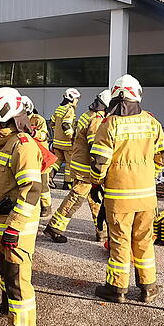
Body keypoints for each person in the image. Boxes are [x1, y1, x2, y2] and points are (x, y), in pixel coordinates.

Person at [90, 74, 164, 303]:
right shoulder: (151, 122)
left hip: (119, 196)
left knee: (120, 241)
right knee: (144, 240)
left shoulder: (109, 124)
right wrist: (149, 176)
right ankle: (148, 288)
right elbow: (162, 155)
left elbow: (99, 162)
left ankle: (117, 289)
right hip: (146, 196)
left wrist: (97, 182)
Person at [0, 87, 45, 326]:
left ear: (6, 116)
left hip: (18, 224)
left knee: (18, 277)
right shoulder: (8, 143)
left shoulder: (23, 146)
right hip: (5, 220)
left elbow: (31, 191)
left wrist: (14, 227)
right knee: (5, 269)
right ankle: (7, 306)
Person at [44, 89, 112, 244]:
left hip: (80, 162)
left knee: (96, 198)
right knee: (75, 198)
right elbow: (94, 147)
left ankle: (101, 231)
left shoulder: (87, 114)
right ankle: (54, 228)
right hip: (85, 168)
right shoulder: (96, 119)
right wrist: (100, 169)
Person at [22, 96, 52, 217]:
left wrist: (33, 133)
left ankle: (46, 207)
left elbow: (44, 135)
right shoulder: (18, 119)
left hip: (41, 156)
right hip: (29, 156)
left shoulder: (38, 119)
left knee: (43, 185)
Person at [49, 88, 80, 190]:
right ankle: (67, 184)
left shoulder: (59, 108)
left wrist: (57, 133)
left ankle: (49, 178)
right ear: (72, 98)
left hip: (57, 142)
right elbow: (66, 125)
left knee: (57, 161)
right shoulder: (69, 109)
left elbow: (52, 123)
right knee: (69, 164)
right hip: (67, 144)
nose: (77, 101)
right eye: (77, 99)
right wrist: (72, 137)